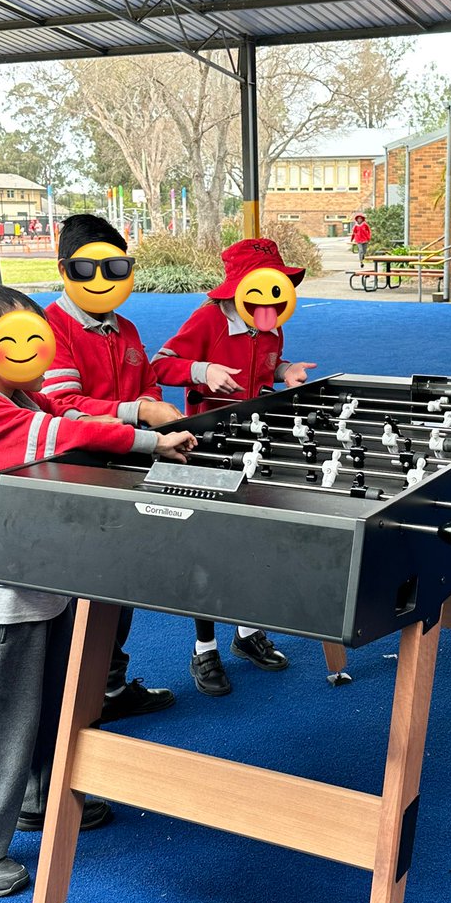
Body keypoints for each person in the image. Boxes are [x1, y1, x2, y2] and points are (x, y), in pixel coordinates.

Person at [0, 284, 195, 898]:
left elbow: (70, 415)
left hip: (41, 560)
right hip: (3, 573)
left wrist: (129, 417)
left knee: (50, 693)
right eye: (16, 343)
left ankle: (35, 795)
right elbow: (66, 436)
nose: (32, 351)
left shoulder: (19, 393)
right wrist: (148, 441)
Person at [152, 237, 316, 696]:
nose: (270, 302)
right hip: (205, 445)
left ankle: (246, 635)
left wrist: (284, 370)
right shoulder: (209, 318)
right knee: (206, 546)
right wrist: (204, 371)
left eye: (277, 291)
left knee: (257, 538)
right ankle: (205, 648)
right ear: (237, 290)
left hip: (256, 441)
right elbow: (161, 365)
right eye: (261, 290)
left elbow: (265, 365)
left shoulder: (270, 320)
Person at [43, 214, 184, 723]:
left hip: (128, 461)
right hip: (77, 470)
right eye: (87, 268)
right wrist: (139, 414)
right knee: (84, 585)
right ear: (64, 270)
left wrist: (150, 416)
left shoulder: (125, 327)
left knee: (120, 581)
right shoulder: (47, 330)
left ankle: (108, 684)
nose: (101, 279)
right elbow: (62, 405)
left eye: (116, 266)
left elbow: (147, 382)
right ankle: (72, 699)